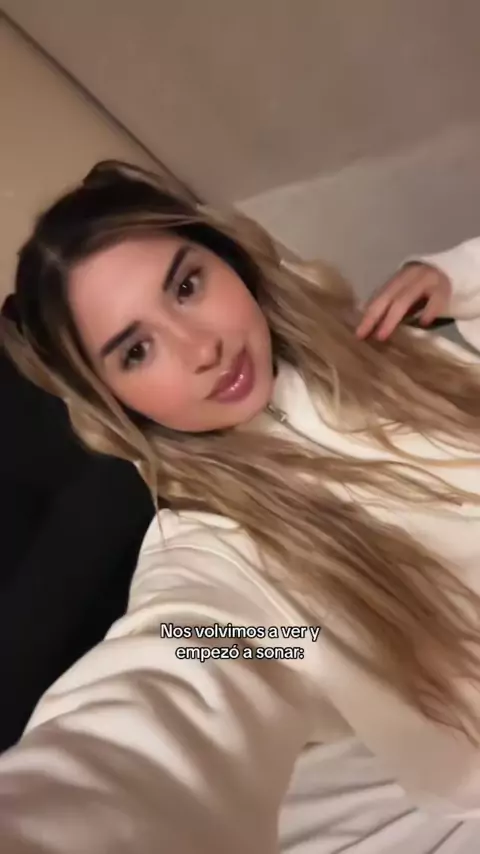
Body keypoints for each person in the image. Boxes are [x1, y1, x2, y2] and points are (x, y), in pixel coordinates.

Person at [1, 160, 480, 853]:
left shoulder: (385, 344)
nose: (202, 348)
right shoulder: (210, 548)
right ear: (111, 400)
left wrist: (457, 277)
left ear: (227, 257)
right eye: (136, 350)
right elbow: (188, 662)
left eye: (187, 286)